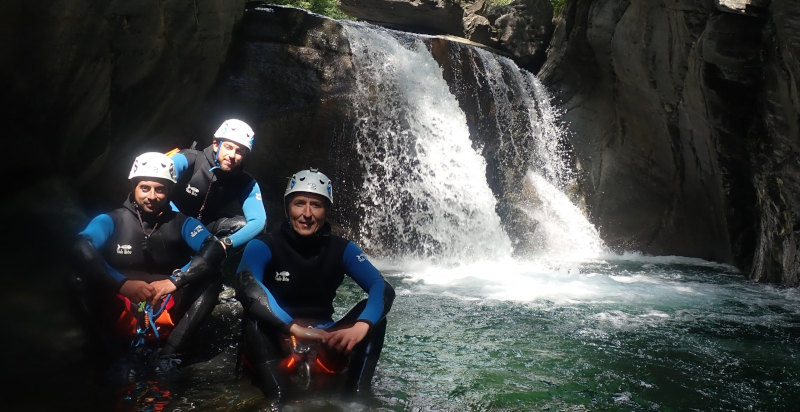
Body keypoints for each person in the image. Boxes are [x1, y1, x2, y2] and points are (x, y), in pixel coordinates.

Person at [234, 168, 395, 402]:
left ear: (327, 211)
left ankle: (358, 396)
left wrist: (362, 325)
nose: (307, 213)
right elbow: (246, 285)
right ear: (288, 207)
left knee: (374, 318)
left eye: (316, 205)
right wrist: (292, 328)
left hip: (323, 339)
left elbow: (382, 287)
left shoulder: (343, 249)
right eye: (299, 203)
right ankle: (278, 397)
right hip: (277, 339)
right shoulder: (263, 245)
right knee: (253, 315)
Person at [70, 152, 227, 383]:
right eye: (145, 188)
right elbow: (81, 245)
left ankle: (169, 354)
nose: (152, 196)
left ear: (170, 191)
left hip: (165, 307)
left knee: (213, 278)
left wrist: (176, 280)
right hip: (122, 306)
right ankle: (115, 355)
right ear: (134, 187)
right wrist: (121, 284)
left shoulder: (183, 223)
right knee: (76, 279)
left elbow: (213, 248)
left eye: (160, 189)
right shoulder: (111, 220)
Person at [170, 118, 267, 252]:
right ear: (216, 144)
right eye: (228, 147)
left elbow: (258, 221)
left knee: (242, 226)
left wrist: (224, 245)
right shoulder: (189, 158)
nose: (232, 155)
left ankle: (207, 260)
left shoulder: (245, 182)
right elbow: (156, 184)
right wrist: (188, 227)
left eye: (239, 151)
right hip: (172, 220)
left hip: (207, 231)